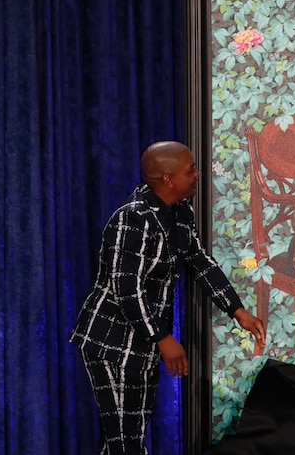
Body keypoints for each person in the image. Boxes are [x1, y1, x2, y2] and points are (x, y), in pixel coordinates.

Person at [69, 141, 266, 455]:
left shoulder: (180, 211)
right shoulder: (132, 220)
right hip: (111, 341)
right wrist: (163, 338)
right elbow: (127, 289)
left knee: (126, 438)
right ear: (168, 179)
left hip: (143, 341)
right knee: (125, 442)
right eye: (189, 171)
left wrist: (236, 309)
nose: (196, 174)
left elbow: (199, 261)